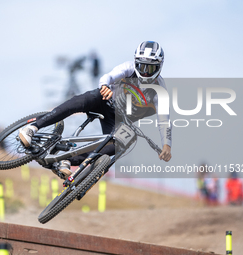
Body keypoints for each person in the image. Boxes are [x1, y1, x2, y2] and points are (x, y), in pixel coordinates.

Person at [19, 41, 172, 179]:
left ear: (159, 67)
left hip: (118, 120)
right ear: (136, 63)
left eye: (150, 68)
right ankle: (33, 127)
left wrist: (167, 145)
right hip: (105, 101)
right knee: (83, 100)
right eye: (142, 66)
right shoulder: (129, 67)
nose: (145, 72)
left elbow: (164, 121)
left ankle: (66, 160)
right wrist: (104, 86)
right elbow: (108, 76)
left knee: (122, 142)